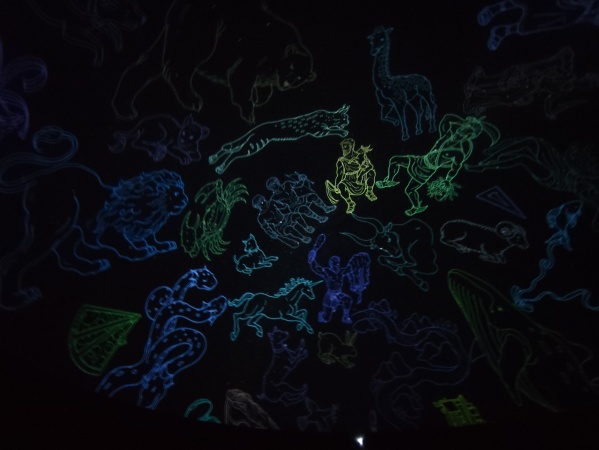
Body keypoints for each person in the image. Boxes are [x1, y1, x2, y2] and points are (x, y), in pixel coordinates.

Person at [376, 115, 500, 216]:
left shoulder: (458, 153)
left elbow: (455, 168)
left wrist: (447, 180)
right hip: (420, 160)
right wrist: (465, 121)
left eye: (465, 132)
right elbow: (447, 119)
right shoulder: (447, 136)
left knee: (409, 190)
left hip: (426, 170)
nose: (460, 133)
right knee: (395, 160)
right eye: (461, 129)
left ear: (468, 137)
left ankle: (416, 206)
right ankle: (389, 180)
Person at [325, 138, 378, 214]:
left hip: (361, 179)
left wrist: (360, 175)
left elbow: (370, 167)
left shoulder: (361, 156)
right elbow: (340, 175)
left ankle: (369, 191)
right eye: (343, 146)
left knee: (371, 173)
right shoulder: (341, 161)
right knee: (341, 185)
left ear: (352, 146)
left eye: (346, 146)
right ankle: (350, 203)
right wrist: (336, 186)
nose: (344, 148)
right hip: (349, 181)